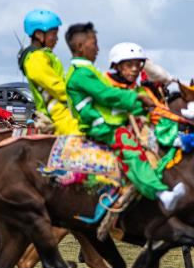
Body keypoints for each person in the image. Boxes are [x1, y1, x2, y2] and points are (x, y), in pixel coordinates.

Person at [63, 24, 183, 209]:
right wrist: (137, 98)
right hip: (102, 126)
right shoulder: (81, 74)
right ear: (80, 46)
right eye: (94, 44)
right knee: (131, 150)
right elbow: (106, 95)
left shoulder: (88, 71)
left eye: (137, 65)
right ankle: (160, 193)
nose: (98, 49)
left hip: (112, 122)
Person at [18, 9, 81, 135]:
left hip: (64, 112)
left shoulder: (43, 55)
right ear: (39, 34)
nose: (56, 39)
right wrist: (81, 97)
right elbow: (56, 87)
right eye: (53, 34)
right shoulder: (35, 58)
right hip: (58, 116)